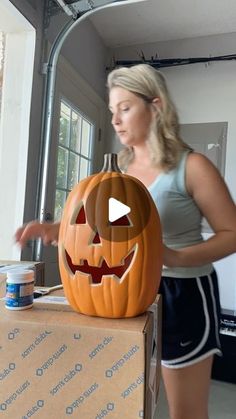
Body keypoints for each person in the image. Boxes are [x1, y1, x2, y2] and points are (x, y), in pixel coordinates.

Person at [15, 64, 236, 419]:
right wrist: (57, 230)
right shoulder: (121, 175)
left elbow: (232, 233)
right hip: (128, 290)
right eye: (112, 111)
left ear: (156, 106)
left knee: (186, 411)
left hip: (184, 293)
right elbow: (110, 231)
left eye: (125, 108)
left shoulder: (192, 166)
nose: (116, 120)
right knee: (135, 401)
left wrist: (174, 257)